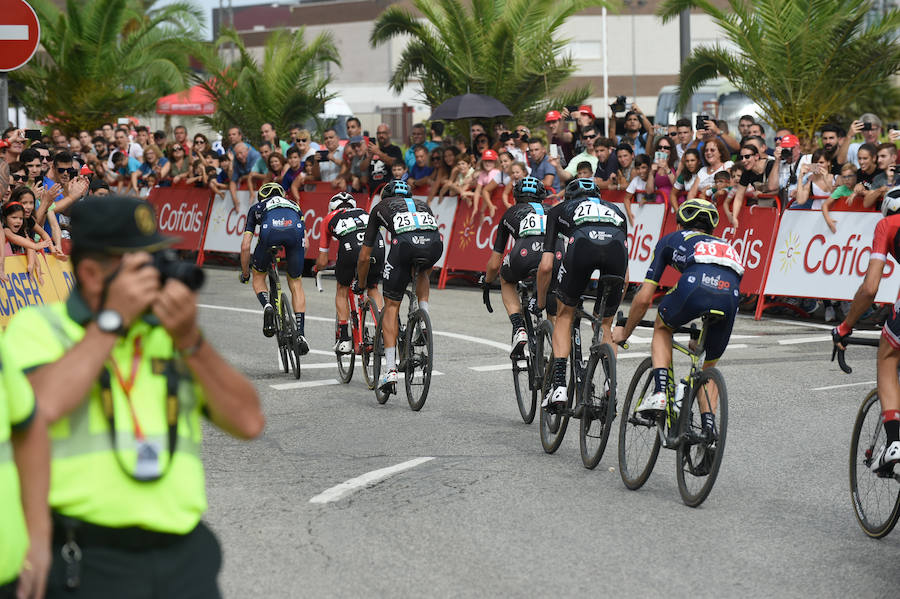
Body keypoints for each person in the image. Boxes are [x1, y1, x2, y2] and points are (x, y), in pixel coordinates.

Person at [1, 194, 263, 598]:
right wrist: (111, 322)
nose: (156, 274)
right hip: (86, 556)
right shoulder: (40, 328)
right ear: (91, 274)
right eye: (141, 264)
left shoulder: (167, 332)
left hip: (183, 554)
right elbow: (41, 405)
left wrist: (191, 340)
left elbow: (249, 421)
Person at [613, 199, 744, 437]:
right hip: (731, 297)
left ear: (680, 225)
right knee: (708, 366)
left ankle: (661, 392)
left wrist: (626, 331)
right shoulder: (728, 246)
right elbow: (718, 291)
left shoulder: (672, 239)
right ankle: (708, 433)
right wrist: (702, 341)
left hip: (694, 286)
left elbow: (644, 298)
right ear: (711, 230)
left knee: (663, 326)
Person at [536, 178, 629, 411]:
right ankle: (610, 384)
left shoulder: (559, 210)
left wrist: (541, 300)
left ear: (569, 197)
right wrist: (610, 308)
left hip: (582, 248)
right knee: (605, 323)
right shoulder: (616, 210)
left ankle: (559, 386)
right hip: (616, 252)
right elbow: (626, 277)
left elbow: (546, 266)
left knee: (564, 314)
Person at [833, 187, 900, 471]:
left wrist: (845, 326)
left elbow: (870, 288)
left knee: (887, 356)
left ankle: (894, 443)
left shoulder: (888, 224)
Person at [356, 180, 443, 391]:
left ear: (385, 197)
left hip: (404, 246)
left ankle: (391, 370)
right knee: (423, 271)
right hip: (434, 245)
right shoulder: (422, 204)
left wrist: (361, 283)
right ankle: (423, 317)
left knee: (391, 306)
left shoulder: (380, 207)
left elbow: (365, 256)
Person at [483, 177, 559, 356]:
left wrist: (487, 282)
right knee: (553, 290)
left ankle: (519, 328)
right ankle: (557, 353)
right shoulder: (554, 210)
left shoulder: (511, 212)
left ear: (516, 196)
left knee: (506, 278)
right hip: (555, 255)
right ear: (542, 197)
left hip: (525, 256)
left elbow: (494, 263)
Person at [239, 182, 310, 354]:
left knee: (258, 276)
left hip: (269, 232)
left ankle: (267, 306)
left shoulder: (257, 207)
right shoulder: (294, 205)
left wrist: (246, 273)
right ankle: (301, 334)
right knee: (296, 283)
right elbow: (306, 243)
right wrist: (295, 262)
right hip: (294, 233)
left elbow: (245, 246)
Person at [315, 192, 385, 353]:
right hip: (377, 246)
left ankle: (345, 339)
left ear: (332, 208)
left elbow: (323, 260)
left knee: (342, 288)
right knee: (372, 287)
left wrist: (317, 269)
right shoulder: (364, 212)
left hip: (350, 249)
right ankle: (381, 333)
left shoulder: (329, 218)